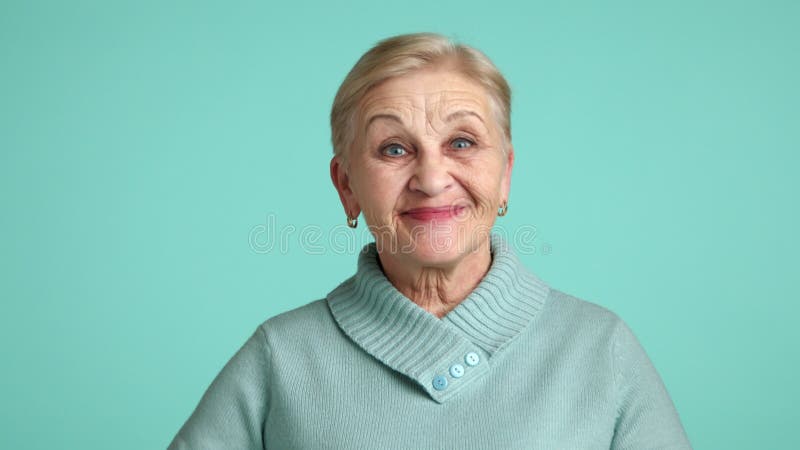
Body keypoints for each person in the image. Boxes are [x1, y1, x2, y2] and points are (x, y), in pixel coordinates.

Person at [168, 32, 692, 449]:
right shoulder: (278, 359)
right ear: (346, 186)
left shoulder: (601, 350)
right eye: (394, 149)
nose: (432, 178)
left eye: (461, 142)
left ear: (505, 174)